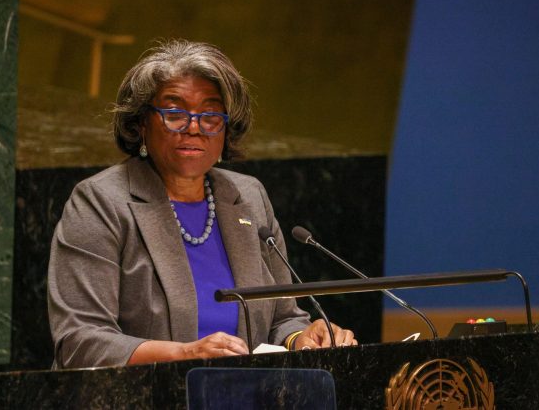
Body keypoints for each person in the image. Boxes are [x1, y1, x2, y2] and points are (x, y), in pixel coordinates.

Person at [48, 39, 356, 368]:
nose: (194, 128)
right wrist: (184, 354)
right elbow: (81, 341)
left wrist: (302, 337)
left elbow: (282, 318)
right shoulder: (101, 202)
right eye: (175, 113)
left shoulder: (247, 197)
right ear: (140, 125)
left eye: (210, 115)